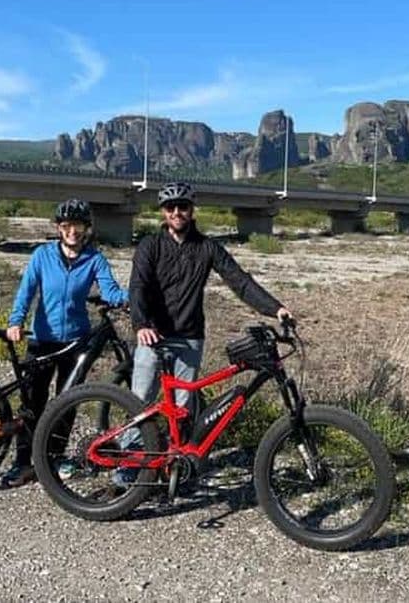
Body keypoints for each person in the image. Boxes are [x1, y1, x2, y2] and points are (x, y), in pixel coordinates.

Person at [123, 182, 291, 473]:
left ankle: (176, 466)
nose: (177, 212)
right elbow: (138, 287)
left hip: (189, 338)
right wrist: (141, 324)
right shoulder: (150, 245)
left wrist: (275, 308)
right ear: (163, 212)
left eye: (183, 207)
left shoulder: (207, 248)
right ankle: (126, 466)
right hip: (153, 336)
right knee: (141, 403)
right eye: (170, 207)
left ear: (192, 210)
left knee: (184, 407)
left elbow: (239, 281)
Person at [2, 198, 129, 487]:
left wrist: (132, 297)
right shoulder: (42, 256)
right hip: (42, 340)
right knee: (32, 403)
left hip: (75, 343)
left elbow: (109, 290)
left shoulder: (94, 259)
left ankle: (53, 459)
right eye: (67, 226)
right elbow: (27, 291)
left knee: (66, 403)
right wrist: (15, 321)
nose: (73, 231)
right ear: (59, 228)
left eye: (78, 225)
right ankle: (23, 462)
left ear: (86, 228)